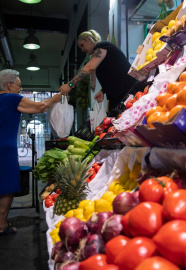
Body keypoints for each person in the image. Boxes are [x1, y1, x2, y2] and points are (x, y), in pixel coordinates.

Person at [0, 69, 63, 236]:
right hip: (5, 149)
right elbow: (40, 107)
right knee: (7, 186)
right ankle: (2, 225)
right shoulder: (11, 98)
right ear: (9, 85)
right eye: (19, 86)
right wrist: (56, 98)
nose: (20, 89)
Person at [58, 29, 139, 114]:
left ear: (89, 39)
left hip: (128, 91)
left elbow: (90, 67)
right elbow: (114, 73)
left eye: (82, 45)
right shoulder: (101, 52)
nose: (82, 50)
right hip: (120, 95)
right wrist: (103, 90)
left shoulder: (102, 45)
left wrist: (70, 85)